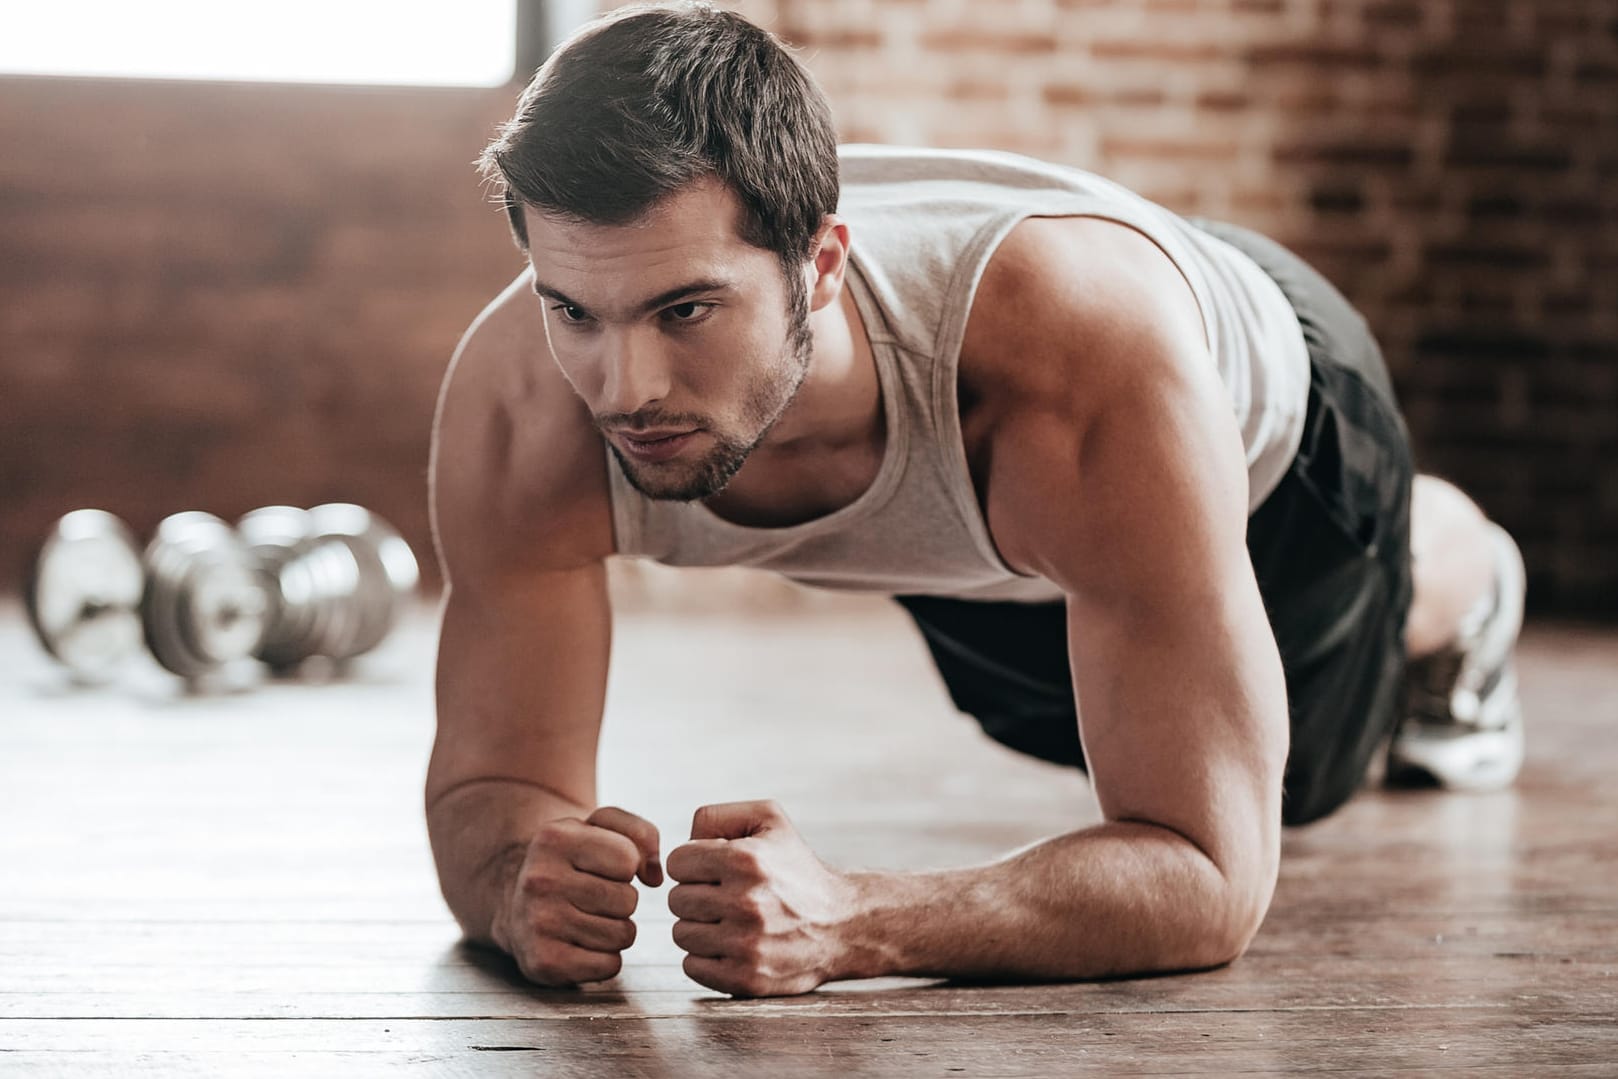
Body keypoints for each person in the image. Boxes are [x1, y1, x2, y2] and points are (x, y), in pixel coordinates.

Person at [424, 2, 1528, 999]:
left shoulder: (1073, 376)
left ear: (819, 271)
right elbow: (495, 780)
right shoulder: (521, 405)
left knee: (1303, 775)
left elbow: (1205, 876)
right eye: (574, 311)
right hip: (987, 530)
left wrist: (854, 920)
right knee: (1042, 717)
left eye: (685, 312)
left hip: (1271, 427)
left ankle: (1464, 570)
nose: (625, 391)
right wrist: (520, 877)